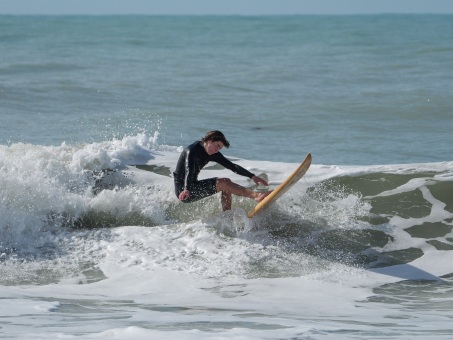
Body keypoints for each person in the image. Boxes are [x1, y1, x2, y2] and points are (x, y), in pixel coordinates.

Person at [173, 130, 272, 211]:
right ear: (209, 140)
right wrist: (186, 189)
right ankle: (256, 196)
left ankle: (227, 216)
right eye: (217, 146)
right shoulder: (192, 150)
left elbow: (232, 166)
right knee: (224, 182)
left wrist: (252, 176)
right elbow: (189, 169)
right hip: (184, 192)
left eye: (219, 148)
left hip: (192, 186)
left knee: (226, 184)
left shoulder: (212, 153)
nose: (217, 150)